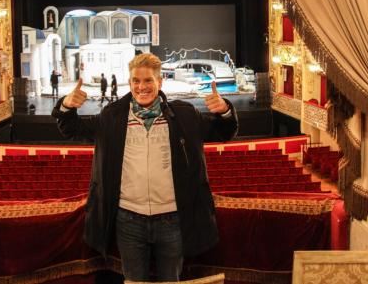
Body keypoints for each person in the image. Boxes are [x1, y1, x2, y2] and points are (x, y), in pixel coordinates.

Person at [52, 53, 238, 282]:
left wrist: (225, 111)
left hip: (173, 219)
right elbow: (71, 129)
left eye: (148, 80)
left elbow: (223, 132)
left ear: (160, 82)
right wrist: (67, 106)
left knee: (171, 280)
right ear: (129, 83)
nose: (142, 87)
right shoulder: (112, 117)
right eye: (136, 81)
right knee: (134, 281)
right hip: (128, 221)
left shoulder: (185, 115)